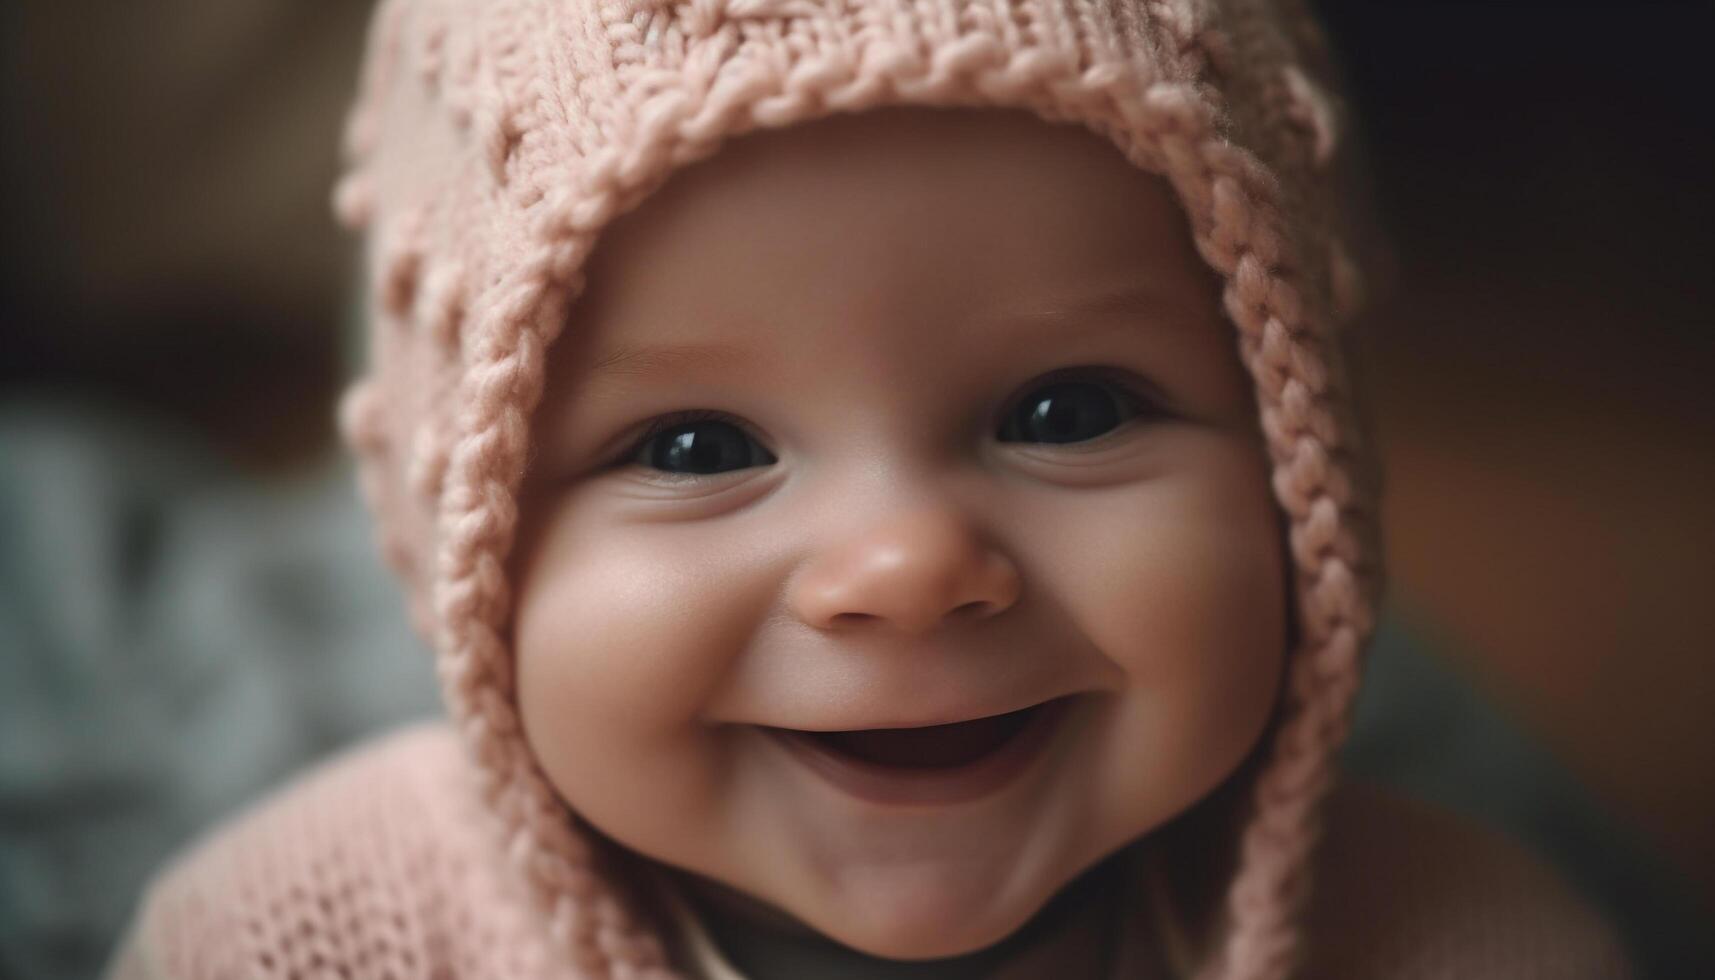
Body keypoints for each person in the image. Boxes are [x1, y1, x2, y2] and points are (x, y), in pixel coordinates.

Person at [106, 0, 1631, 976]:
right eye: (699, 448)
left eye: (1068, 410)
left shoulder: (1459, 941)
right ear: (462, 532)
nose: (906, 563)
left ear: (1313, 474)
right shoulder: (301, 942)